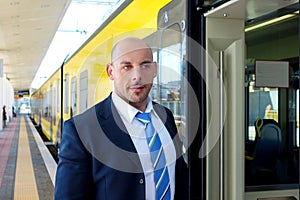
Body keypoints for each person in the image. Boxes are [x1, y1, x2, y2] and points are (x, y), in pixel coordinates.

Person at [54, 37, 188, 199]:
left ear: (154, 70)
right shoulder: (81, 130)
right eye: (127, 67)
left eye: (145, 65)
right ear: (111, 72)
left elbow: (180, 179)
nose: (137, 76)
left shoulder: (165, 116)